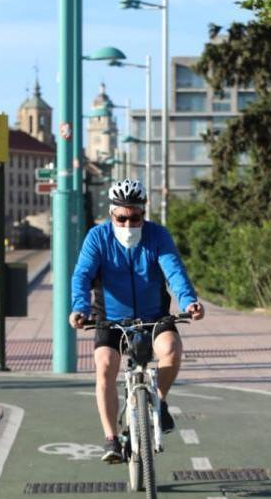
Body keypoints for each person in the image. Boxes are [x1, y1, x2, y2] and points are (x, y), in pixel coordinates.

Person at [69, 179, 205, 463]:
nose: (129, 225)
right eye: (122, 218)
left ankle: (158, 400)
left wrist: (188, 300)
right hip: (111, 317)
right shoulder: (97, 237)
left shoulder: (157, 236)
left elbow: (175, 271)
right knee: (105, 365)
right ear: (111, 214)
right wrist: (79, 308)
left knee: (171, 349)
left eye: (135, 218)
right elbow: (82, 276)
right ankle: (111, 439)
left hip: (154, 314)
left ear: (144, 214)